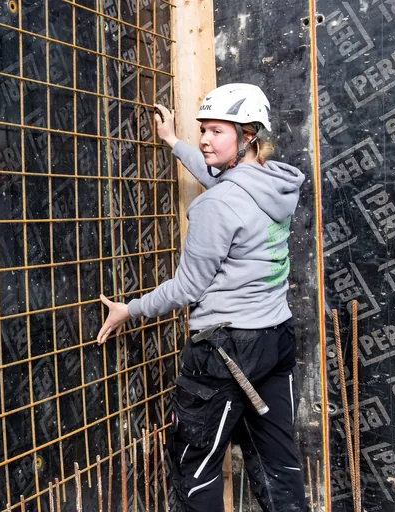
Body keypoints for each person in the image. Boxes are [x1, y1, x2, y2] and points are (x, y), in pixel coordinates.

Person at [96, 83, 306, 511]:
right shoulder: (275, 183)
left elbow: (188, 288)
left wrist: (129, 309)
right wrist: (173, 141)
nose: (205, 141)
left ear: (248, 136)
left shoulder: (217, 206)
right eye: (203, 130)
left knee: (196, 467)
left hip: (226, 349)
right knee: (276, 462)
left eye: (216, 132)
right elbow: (222, 176)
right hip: (275, 338)